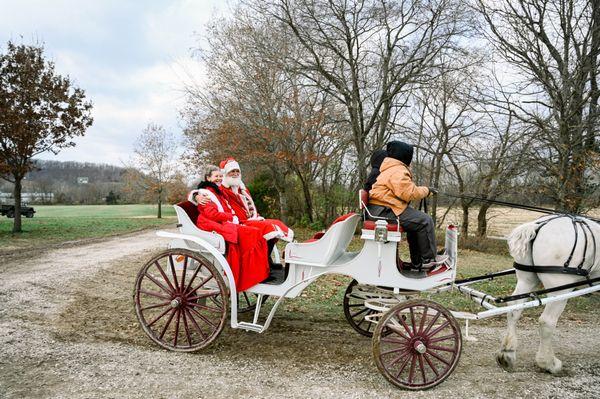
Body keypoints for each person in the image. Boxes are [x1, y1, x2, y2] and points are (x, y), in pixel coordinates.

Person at [367, 141, 448, 270]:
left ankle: (418, 262)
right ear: (405, 156)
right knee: (425, 221)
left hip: (383, 209)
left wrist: (425, 190)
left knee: (415, 225)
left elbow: (405, 191)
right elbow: (408, 193)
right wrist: (427, 191)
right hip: (384, 211)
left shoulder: (391, 168)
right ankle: (427, 259)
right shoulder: (397, 170)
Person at [192, 164, 269, 291]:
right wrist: (230, 216)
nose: (219, 179)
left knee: (256, 232)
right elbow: (211, 214)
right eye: (216, 176)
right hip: (212, 224)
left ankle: (258, 271)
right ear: (208, 178)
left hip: (222, 221)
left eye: (220, 176)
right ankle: (252, 275)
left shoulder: (217, 191)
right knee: (253, 234)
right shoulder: (205, 194)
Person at [218, 158, 294, 257]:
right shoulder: (221, 189)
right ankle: (264, 258)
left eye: (237, 171)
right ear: (225, 173)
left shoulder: (242, 189)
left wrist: (256, 216)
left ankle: (266, 257)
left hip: (250, 219)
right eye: (232, 171)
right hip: (237, 222)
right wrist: (196, 195)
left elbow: (250, 208)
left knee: (276, 223)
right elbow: (207, 192)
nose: (235, 173)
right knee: (268, 227)